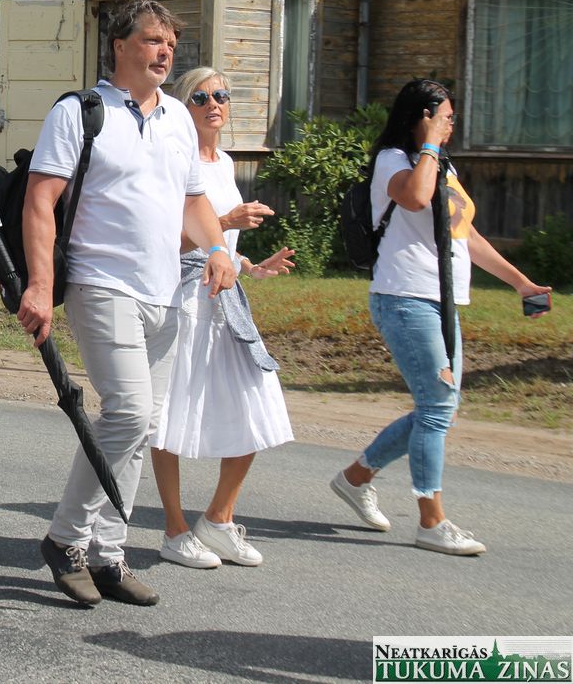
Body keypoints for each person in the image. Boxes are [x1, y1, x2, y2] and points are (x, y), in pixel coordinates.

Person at [18, 0, 236, 607]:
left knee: (143, 429)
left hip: (166, 290)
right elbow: (40, 201)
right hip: (100, 281)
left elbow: (193, 200)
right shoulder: (80, 111)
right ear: (120, 45)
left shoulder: (177, 118)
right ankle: (66, 539)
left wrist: (217, 248)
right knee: (130, 414)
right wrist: (40, 285)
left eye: (171, 43)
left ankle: (108, 555)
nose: (165, 52)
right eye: (153, 40)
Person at [329, 79, 552, 556]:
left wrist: (521, 283)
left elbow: (466, 235)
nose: (451, 125)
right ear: (421, 118)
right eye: (444, 117)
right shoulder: (394, 160)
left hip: (441, 300)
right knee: (436, 406)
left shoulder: (442, 166)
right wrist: (429, 144)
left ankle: (355, 478)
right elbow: (413, 198)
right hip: (404, 297)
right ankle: (431, 521)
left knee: (440, 407)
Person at [148, 67, 297, 569]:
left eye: (221, 95)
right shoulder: (175, 162)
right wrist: (225, 223)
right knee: (168, 415)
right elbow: (167, 242)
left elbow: (223, 246)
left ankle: (219, 518)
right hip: (185, 299)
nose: (214, 103)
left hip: (227, 301)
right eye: (201, 97)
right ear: (181, 107)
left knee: (257, 405)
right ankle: (175, 530)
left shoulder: (226, 162)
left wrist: (250, 265)